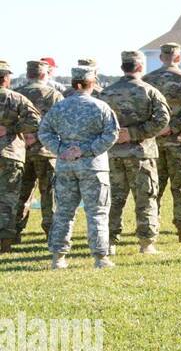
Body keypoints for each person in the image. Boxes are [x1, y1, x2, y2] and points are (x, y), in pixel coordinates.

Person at [38, 65, 120, 270]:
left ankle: (58, 258)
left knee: (64, 212)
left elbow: (44, 132)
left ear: (74, 84)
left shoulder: (59, 107)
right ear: (92, 83)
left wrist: (60, 150)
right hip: (94, 168)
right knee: (98, 212)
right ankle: (101, 258)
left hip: (66, 166)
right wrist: (87, 150)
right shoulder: (101, 107)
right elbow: (111, 134)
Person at [100, 51, 170, 255]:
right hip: (141, 153)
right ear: (139, 67)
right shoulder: (149, 91)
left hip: (112, 155)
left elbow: (97, 120)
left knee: (112, 199)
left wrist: (116, 135)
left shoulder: (106, 93)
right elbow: (162, 119)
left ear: (123, 67)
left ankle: (109, 242)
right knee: (145, 197)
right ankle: (146, 243)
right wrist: (134, 133)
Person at [142, 42, 181, 243]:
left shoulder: (148, 80)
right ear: (179, 58)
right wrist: (175, 126)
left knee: (153, 188)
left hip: (154, 143)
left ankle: (152, 227)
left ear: (161, 57)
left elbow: (140, 110)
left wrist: (156, 128)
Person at [15, 59, 62, 243]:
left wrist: (26, 135)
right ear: (44, 74)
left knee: (20, 193)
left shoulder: (17, 94)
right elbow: (60, 122)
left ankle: (14, 232)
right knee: (48, 194)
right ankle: (51, 233)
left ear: (28, 74)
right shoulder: (54, 94)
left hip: (21, 151)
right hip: (47, 151)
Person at [0, 60, 42, 254]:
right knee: (8, 201)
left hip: (11, 155)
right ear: (6, 78)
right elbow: (35, 121)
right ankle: (6, 244)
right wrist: (11, 128)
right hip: (10, 155)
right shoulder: (17, 98)